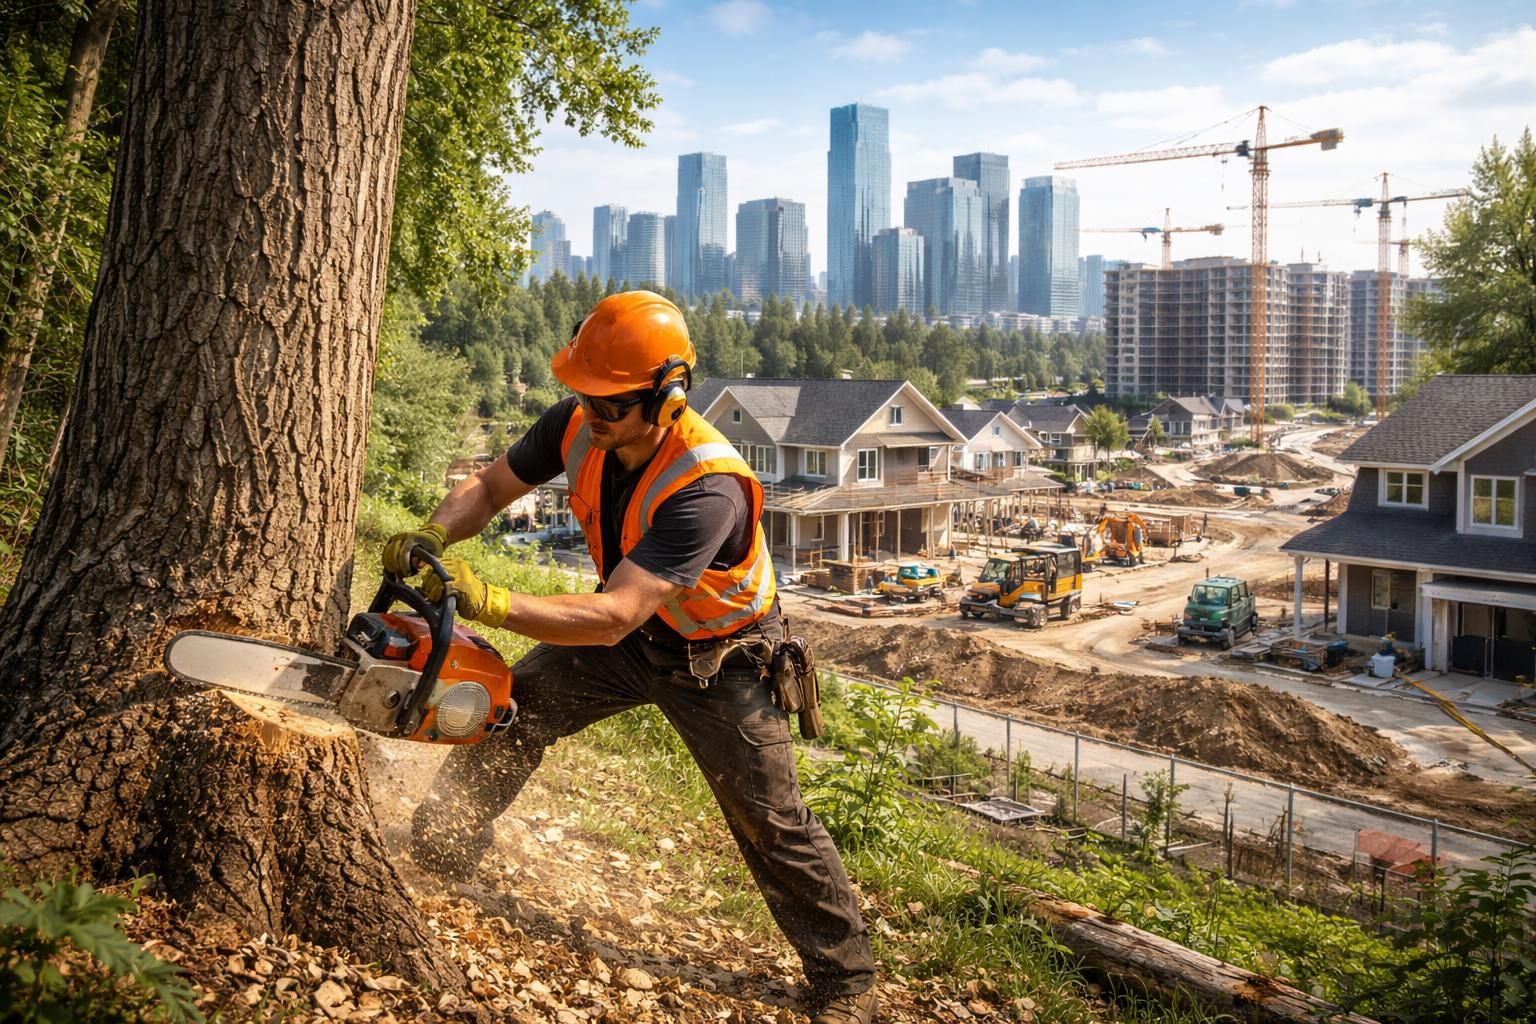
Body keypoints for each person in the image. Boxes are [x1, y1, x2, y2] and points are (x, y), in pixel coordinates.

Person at [382, 291, 878, 1024]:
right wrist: (434, 534)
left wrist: (487, 600)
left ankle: (846, 981)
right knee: (514, 708)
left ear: (668, 398)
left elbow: (613, 614)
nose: (591, 415)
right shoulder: (581, 422)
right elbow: (490, 487)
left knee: (769, 817)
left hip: (723, 660)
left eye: (611, 405)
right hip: (636, 639)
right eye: (583, 396)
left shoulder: (706, 487)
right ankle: (445, 845)